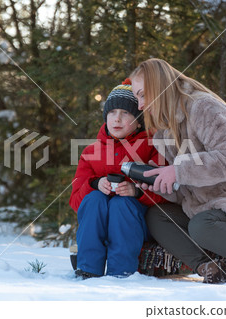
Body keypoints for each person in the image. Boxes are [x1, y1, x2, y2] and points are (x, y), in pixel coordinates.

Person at [130, 58, 226, 288]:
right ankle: (209, 268)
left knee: (201, 226)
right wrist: (163, 183)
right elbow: (187, 188)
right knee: (157, 215)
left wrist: (178, 171)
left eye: (143, 95)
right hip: (204, 210)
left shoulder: (203, 107)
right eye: (137, 98)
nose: (140, 105)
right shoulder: (164, 132)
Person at [69, 79, 167, 279]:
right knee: (94, 200)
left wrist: (136, 191)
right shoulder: (91, 152)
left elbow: (166, 193)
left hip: (136, 223)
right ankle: (88, 268)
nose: (117, 119)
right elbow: (76, 202)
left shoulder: (153, 146)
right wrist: (95, 184)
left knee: (122, 204)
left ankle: (121, 271)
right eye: (112, 113)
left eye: (126, 113)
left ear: (139, 119)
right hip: (98, 219)